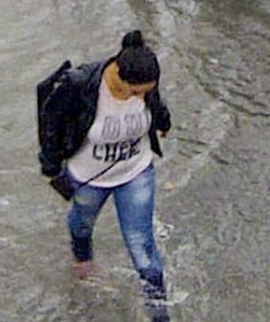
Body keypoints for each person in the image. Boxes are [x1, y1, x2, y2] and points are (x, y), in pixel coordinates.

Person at [38, 31, 172, 319]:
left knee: (144, 251)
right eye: (134, 92)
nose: (139, 97)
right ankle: (83, 261)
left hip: (136, 171)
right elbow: (50, 123)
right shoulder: (80, 84)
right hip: (89, 176)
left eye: (145, 92)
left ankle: (159, 316)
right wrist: (50, 165)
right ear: (118, 76)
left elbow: (156, 104)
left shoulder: (145, 82)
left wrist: (163, 120)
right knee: (82, 224)